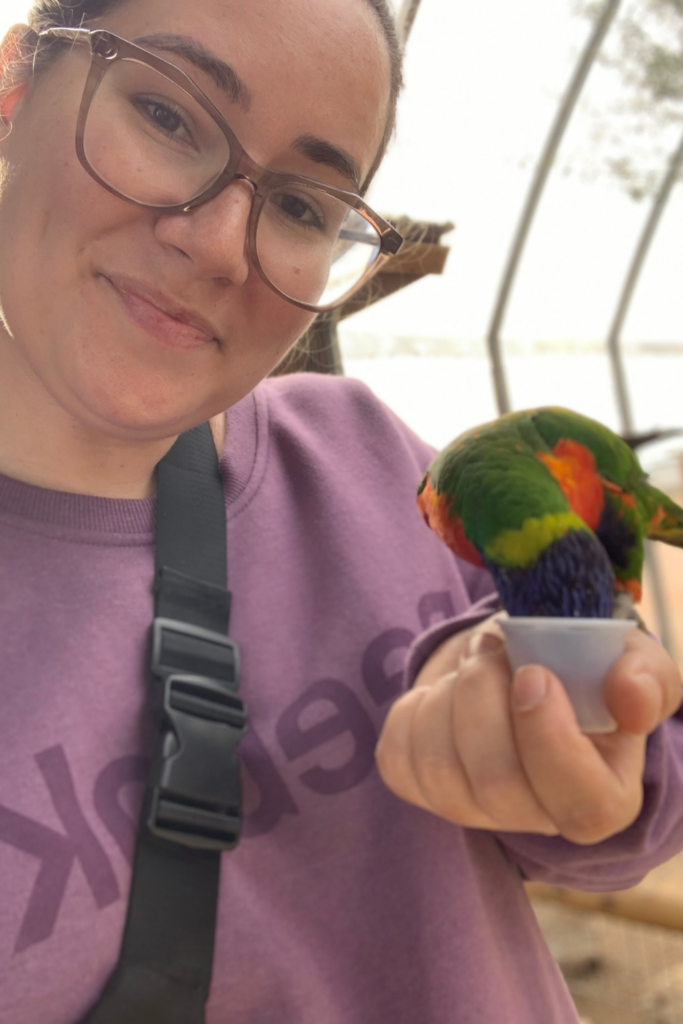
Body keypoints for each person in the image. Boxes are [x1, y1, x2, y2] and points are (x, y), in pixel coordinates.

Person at [0, 1, 681, 1022]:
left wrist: (571, 730)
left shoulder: (369, 461)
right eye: (168, 115)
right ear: (14, 86)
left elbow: (634, 797)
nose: (223, 244)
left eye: (304, 207)